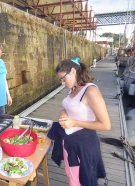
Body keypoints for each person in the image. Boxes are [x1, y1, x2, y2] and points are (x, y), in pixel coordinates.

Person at [47, 57, 111, 186]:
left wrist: (74, 123)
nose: (62, 83)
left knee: (82, 180)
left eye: (63, 78)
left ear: (73, 71)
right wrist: (63, 112)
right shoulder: (73, 88)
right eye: (60, 80)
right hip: (70, 143)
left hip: (84, 146)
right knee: (72, 177)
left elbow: (106, 125)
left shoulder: (91, 91)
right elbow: (67, 106)